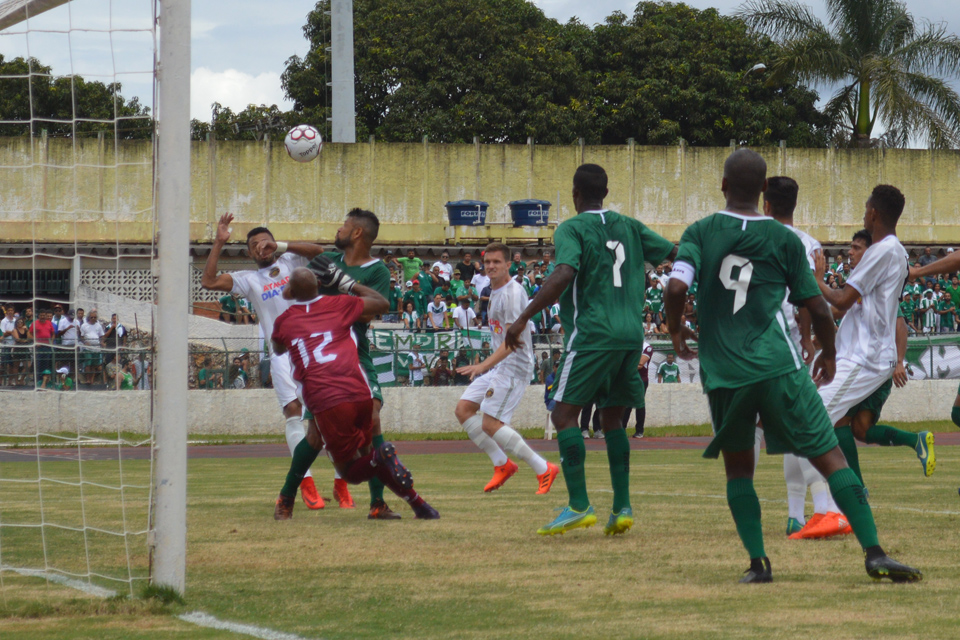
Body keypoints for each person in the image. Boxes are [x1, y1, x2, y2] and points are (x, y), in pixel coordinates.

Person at [664, 149, 920, 583]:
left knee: (740, 467)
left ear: (723, 186)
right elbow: (819, 307)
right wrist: (830, 353)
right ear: (763, 189)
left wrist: (675, 330)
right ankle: (874, 552)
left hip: (726, 369)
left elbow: (675, 286)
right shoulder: (786, 240)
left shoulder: (701, 231)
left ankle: (759, 563)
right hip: (779, 364)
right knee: (830, 455)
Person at [504, 163, 677, 537]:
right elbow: (674, 252)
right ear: (607, 191)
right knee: (612, 418)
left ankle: (579, 505)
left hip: (593, 335)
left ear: (575, 194)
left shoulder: (572, 228)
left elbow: (565, 272)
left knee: (565, 416)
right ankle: (622, 506)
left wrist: (522, 319)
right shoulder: (629, 226)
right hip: (631, 337)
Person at [271, 267, 439, 521]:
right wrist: (347, 283)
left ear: (292, 291)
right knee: (370, 451)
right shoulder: (340, 302)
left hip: (327, 397)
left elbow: (278, 347)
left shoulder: (285, 320)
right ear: (319, 283)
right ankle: (419, 505)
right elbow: (382, 303)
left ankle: (287, 499)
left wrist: (291, 294)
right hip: (359, 391)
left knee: (350, 471)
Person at [272, 207, 400, 519]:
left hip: (354, 353)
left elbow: (371, 313)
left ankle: (377, 503)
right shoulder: (328, 260)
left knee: (372, 417)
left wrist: (340, 283)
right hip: (320, 358)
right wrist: (300, 273)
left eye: (344, 226)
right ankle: (286, 497)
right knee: (315, 436)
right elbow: (292, 291)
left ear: (357, 233)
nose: (339, 230)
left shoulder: (377, 271)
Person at [200, 212, 330, 511]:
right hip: (282, 353)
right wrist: (219, 242)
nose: (262, 247)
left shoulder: (292, 263)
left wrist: (281, 245)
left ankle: (340, 482)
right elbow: (208, 281)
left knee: (323, 415)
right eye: (255, 245)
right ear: (249, 253)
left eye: (265, 242)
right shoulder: (248, 279)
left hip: (312, 348)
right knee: (294, 413)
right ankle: (306, 484)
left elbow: (321, 253)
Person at [759, 176, 846, 540]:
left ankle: (828, 509)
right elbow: (809, 295)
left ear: (766, 204)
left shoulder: (758, 236)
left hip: (766, 345)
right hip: (796, 343)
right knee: (790, 432)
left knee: (796, 431)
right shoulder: (810, 244)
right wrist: (811, 340)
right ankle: (801, 514)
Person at [455, 243, 559, 494]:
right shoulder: (493, 291)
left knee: (490, 424)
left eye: (497, 262)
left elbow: (513, 342)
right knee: (464, 410)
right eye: (487, 262)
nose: (491, 266)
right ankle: (502, 464)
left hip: (513, 367)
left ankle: (543, 467)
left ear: (509, 264)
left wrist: (482, 365)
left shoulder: (513, 293)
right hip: (499, 366)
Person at [622, 339, 653, 438]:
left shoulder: (647, 347)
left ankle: (639, 430)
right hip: (629, 378)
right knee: (626, 404)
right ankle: (622, 429)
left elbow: (640, 364)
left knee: (639, 404)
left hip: (641, 379)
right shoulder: (629, 345)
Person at [79, 309, 105, 385]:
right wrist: (85, 342)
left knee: (94, 364)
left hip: (96, 348)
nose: (93, 319)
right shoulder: (84, 326)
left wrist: (102, 342)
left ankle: (92, 380)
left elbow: (102, 335)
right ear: (89, 318)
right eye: (91, 317)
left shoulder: (98, 325)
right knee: (88, 363)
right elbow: (81, 336)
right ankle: (87, 379)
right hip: (87, 348)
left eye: (94, 317)